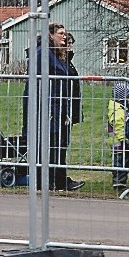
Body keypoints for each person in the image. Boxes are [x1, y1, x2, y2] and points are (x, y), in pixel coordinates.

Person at [23, 23, 84, 191]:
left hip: (60, 109)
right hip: (48, 109)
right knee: (50, 144)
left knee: (59, 144)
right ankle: (48, 180)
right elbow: (36, 82)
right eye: (61, 33)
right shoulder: (43, 53)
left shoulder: (58, 56)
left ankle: (58, 179)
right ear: (50, 35)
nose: (64, 37)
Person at [108, 82, 129, 190]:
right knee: (120, 162)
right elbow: (119, 126)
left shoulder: (120, 108)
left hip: (121, 143)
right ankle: (118, 182)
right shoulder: (118, 110)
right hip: (119, 143)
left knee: (125, 161)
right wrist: (124, 139)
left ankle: (121, 181)